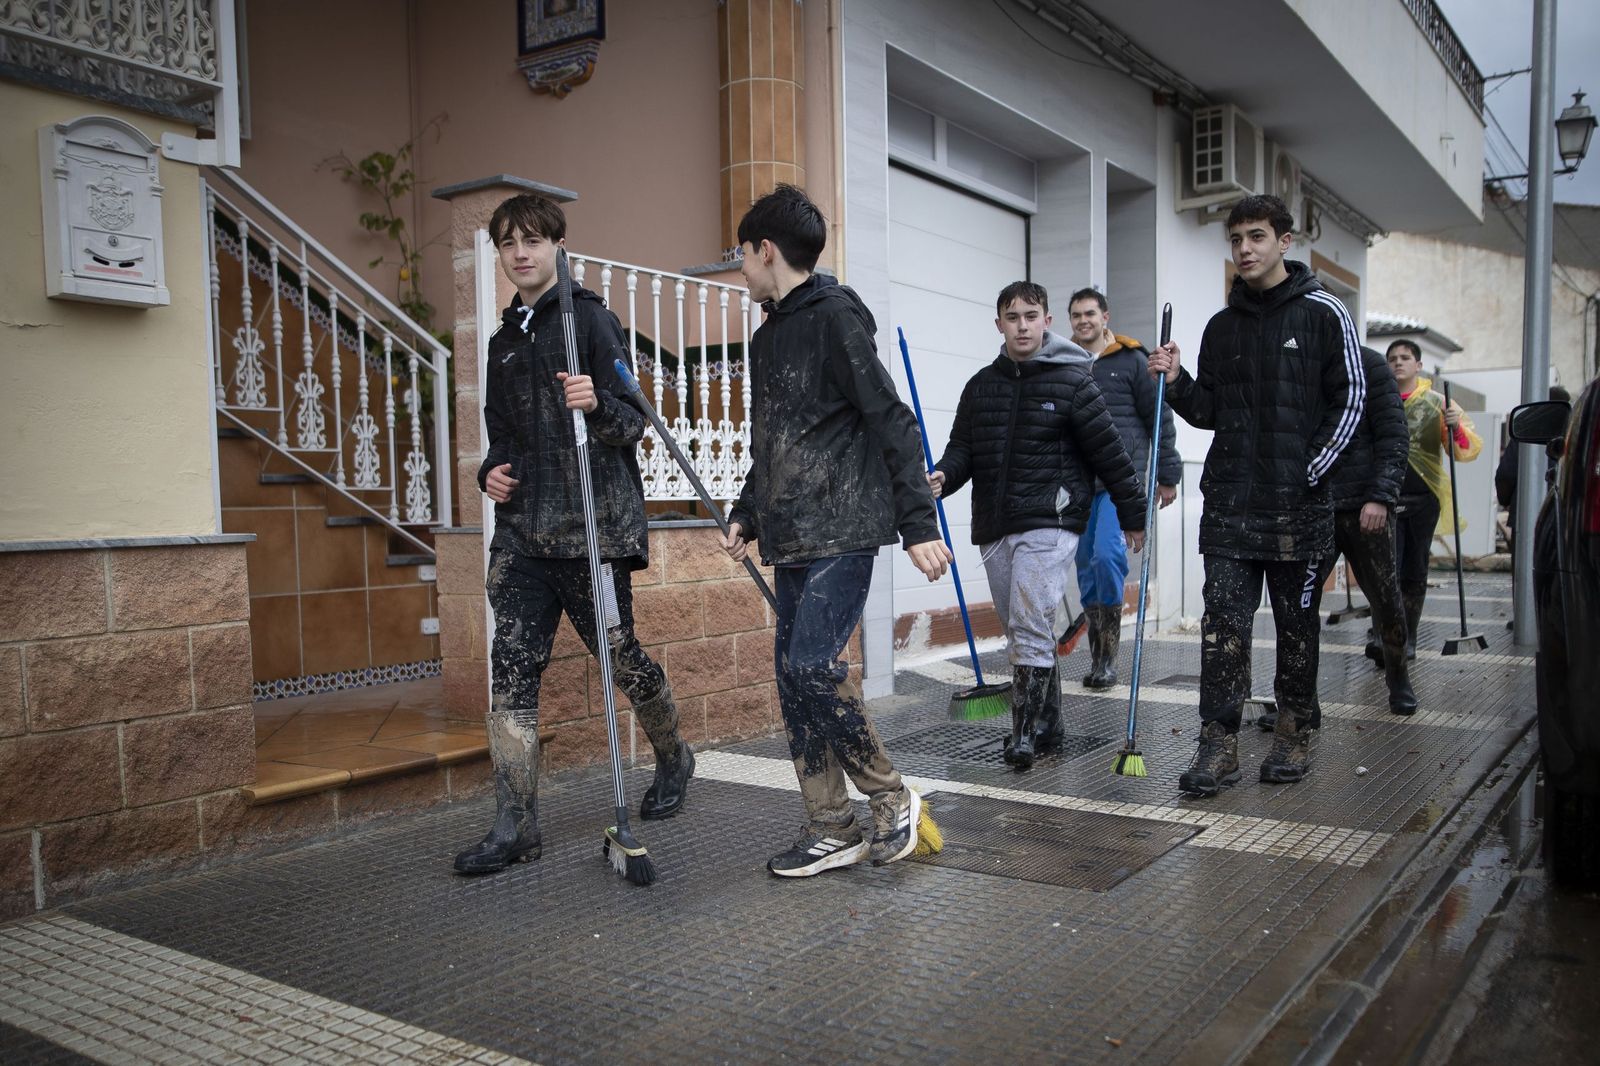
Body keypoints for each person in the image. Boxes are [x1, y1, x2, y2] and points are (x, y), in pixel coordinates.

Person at [457, 193, 693, 875]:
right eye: (508, 243)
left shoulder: (589, 319)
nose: (521, 252)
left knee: (622, 659)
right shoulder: (504, 342)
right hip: (524, 536)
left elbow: (634, 420)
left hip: (594, 530)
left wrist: (599, 402)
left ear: (558, 244)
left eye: (533, 239)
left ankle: (675, 755)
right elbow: (502, 433)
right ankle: (515, 825)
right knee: (511, 673)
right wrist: (491, 474)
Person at [722, 184, 953, 877]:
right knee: (794, 681)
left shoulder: (834, 319)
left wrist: (917, 523)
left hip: (844, 525)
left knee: (812, 667)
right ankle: (831, 825)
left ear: (766, 251)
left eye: (742, 253)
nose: (739, 267)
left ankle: (891, 798)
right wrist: (746, 511)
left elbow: (892, 419)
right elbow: (775, 441)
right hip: (791, 531)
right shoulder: (768, 338)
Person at [1148, 194, 1363, 797]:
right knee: (1223, 628)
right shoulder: (1222, 326)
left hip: (1299, 509)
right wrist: (1179, 381)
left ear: (1284, 242)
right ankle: (1218, 746)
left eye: (1257, 237)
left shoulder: (1324, 313)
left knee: (1297, 628)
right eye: (1236, 238)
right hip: (1231, 509)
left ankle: (1294, 730)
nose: (1245, 248)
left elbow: (1350, 400)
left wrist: (1310, 471)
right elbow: (1211, 411)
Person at [930, 281, 1146, 770]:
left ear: (1047, 321)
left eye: (1031, 315)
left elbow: (1110, 454)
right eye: (1013, 317)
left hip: (1052, 521)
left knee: (1028, 623)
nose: (1022, 325)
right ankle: (1050, 722)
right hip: (995, 524)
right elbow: (964, 449)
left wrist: (1133, 514)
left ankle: (1023, 735)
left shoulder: (1073, 382)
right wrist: (944, 475)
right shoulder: (980, 386)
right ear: (999, 324)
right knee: (1020, 627)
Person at [1259, 345, 1415, 726]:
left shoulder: (1370, 365)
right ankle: (1301, 702)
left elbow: (1393, 435)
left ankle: (1398, 677)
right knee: (1300, 608)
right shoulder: (1298, 365)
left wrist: (1381, 496)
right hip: (1313, 508)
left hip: (1366, 509)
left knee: (1385, 598)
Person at [1065, 287, 1181, 691]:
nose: (1084, 321)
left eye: (1090, 313)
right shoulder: (1066, 364)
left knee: (1107, 556)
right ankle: (1098, 655)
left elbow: (1158, 416)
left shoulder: (1132, 360)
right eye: (1076, 315)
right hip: (1078, 484)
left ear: (1105, 316)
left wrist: (1167, 472)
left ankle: (1109, 656)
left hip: (1120, 482)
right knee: (1085, 565)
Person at [1385, 339, 1483, 657]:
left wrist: (1455, 428)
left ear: (1419, 365)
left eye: (1405, 357)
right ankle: (1387, 638)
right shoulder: (1378, 401)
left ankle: (1408, 638)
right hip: (1384, 499)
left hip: (1423, 500)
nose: (1398, 363)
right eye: (1392, 359)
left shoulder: (1438, 404)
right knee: (1386, 572)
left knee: (1414, 570)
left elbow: (1464, 450)